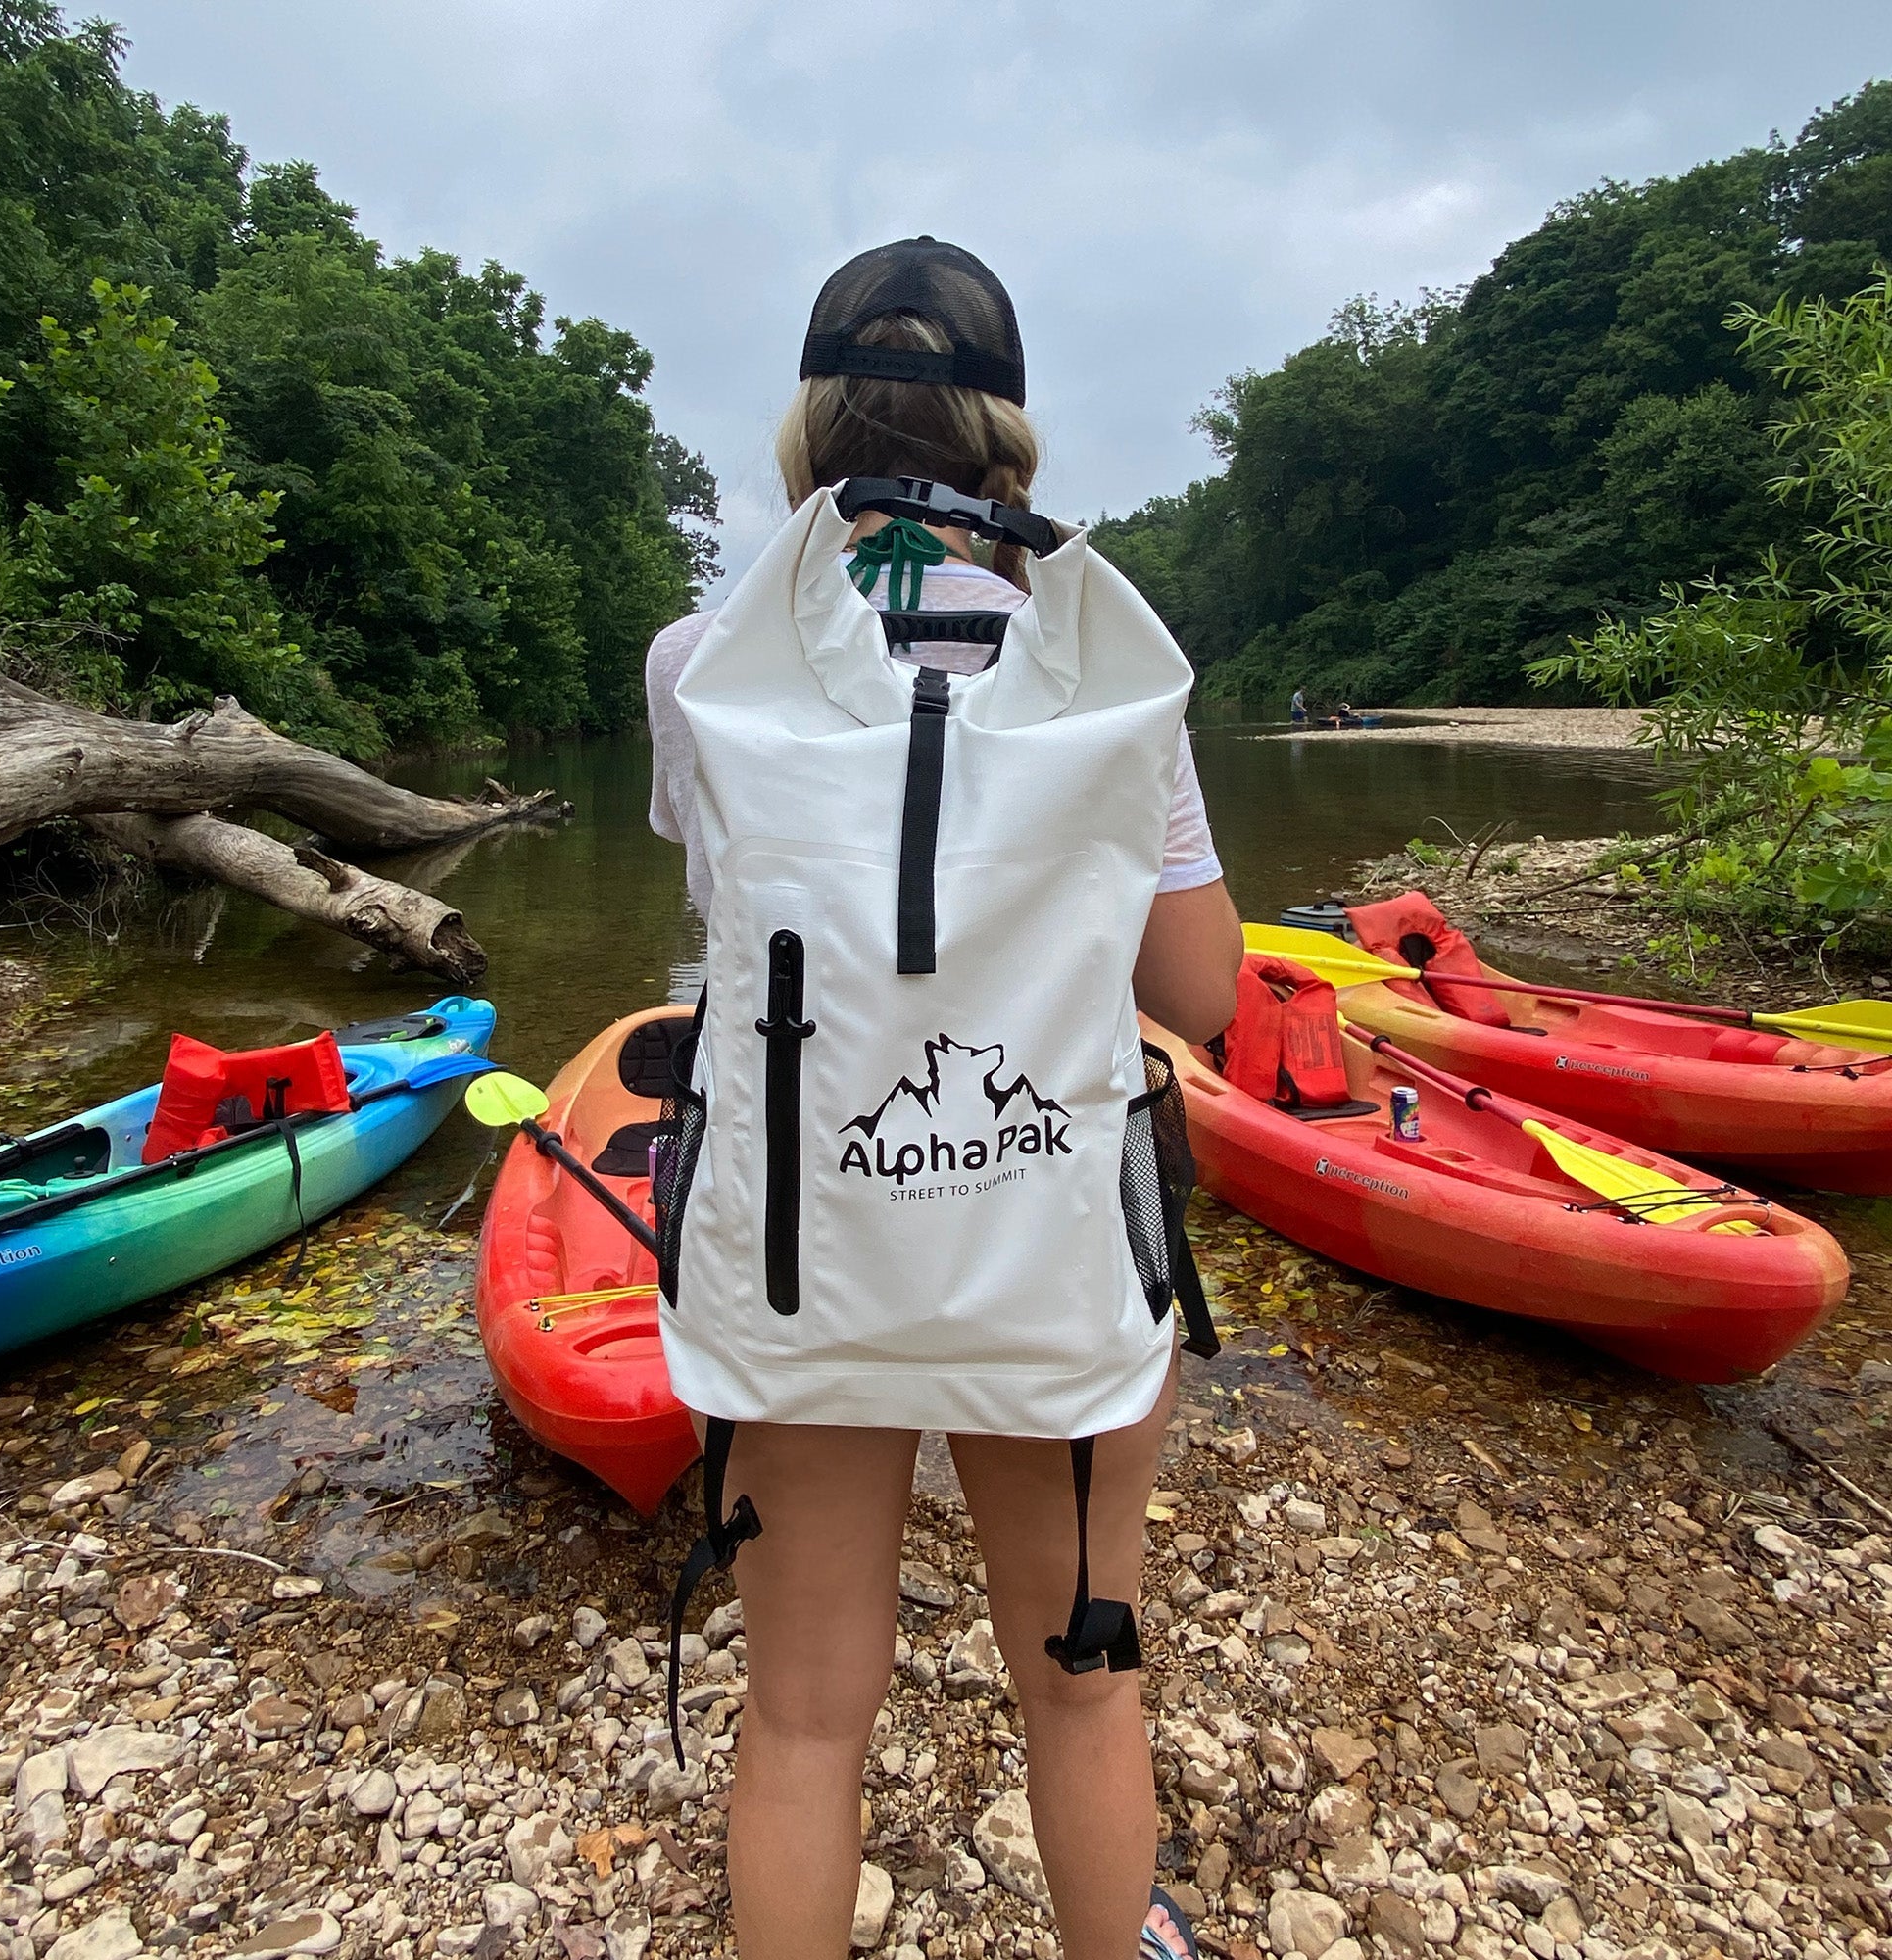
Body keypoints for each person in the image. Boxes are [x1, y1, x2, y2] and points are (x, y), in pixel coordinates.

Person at [646, 236, 1245, 1960]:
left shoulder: (705, 658)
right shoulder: (1118, 679)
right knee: (1079, 1691)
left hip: (798, 1256)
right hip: (1050, 1254)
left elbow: (763, 916)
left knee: (805, 1723)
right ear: (1011, 431)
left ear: (811, 426)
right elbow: (1196, 995)